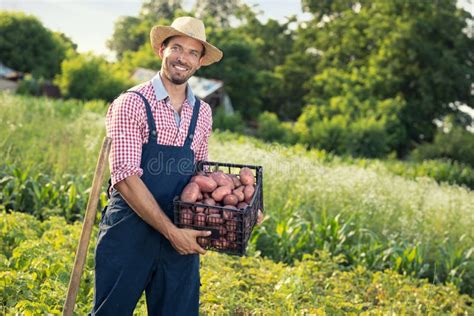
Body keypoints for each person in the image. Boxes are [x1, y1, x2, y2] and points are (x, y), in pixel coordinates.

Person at [91, 16, 263, 315]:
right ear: (162, 50)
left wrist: (241, 209)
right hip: (130, 233)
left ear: (200, 63)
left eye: (193, 52)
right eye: (177, 48)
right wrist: (172, 232)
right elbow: (125, 178)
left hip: (182, 235)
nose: (183, 58)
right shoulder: (132, 103)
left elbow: (199, 175)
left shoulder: (203, 112)